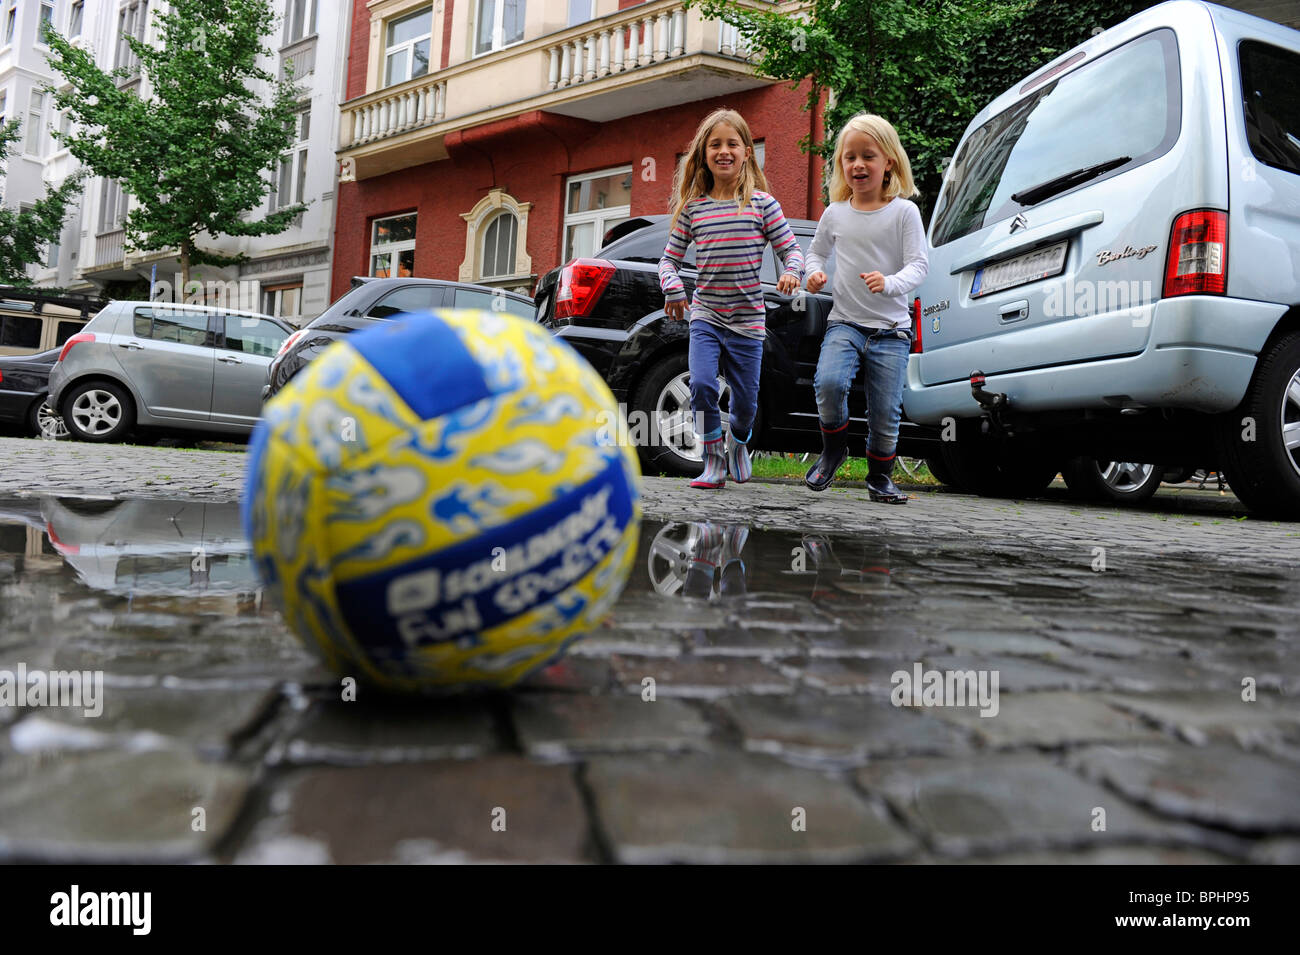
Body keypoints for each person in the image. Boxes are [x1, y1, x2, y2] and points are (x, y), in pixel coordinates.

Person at [659, 108, 804, 489]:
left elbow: (792, 252)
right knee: (703, 386)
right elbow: (668, 261)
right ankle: (712, 460)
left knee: (745, 404)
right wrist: (672, 287)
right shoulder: (693, 209)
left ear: (746, 153)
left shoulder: (762, 205)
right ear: (704, 155)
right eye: (715, 145)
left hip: (748, 321)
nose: (724, 151)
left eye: (732, 144)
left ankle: (738, 442)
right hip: (706, 316)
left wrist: (791, 272)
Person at [803, 113, 929, 502]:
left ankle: (879, 477)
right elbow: (815, 253)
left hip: (891, 330)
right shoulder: (835, 212)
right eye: (850, 157)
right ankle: (834, 450)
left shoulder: (904, 212)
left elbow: (920, 265)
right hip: (845, 323)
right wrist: (814, 274)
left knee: (885, 413)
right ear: (841, 163)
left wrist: (890, 283)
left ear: (888, 160)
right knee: (828, 383)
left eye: (868, 156)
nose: (858, 164)